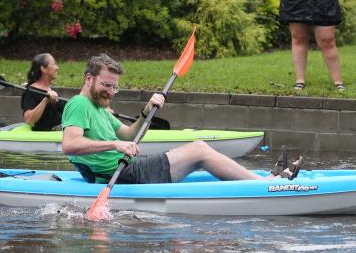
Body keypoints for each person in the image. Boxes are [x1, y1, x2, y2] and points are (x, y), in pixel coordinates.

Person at [60, 54, 302, 184]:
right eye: (106, 85)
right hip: (121, 174)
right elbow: (70, 145)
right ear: (88, 78)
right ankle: (263, 184)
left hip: (128, 168)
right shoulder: (79, 104)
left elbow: (128, 135)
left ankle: (261, 180)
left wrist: (145, 112)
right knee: (198, 150)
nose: (111, 92)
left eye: (115, 88)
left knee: (198, 155)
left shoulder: (100, 108)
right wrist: (115, 145)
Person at [21, 53, 62, 131]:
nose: (57, 68)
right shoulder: (30, 92)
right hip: (45, 139)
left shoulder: (52, 92)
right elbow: (29, 120)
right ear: (43, 69)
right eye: (54, 64)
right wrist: (45, 100)